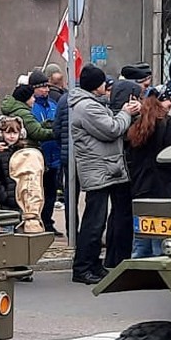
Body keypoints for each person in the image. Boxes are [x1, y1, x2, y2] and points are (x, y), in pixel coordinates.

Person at [64, 65, 136, 285]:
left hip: (104, 168)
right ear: (97, 85)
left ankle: (93, 264)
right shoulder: (86, 107)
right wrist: (126, 113)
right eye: (104, 82)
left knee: (98, 221)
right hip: (98, 170)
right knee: (94, 223)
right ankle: (83, 268)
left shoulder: (90, 104)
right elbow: (112, 129)